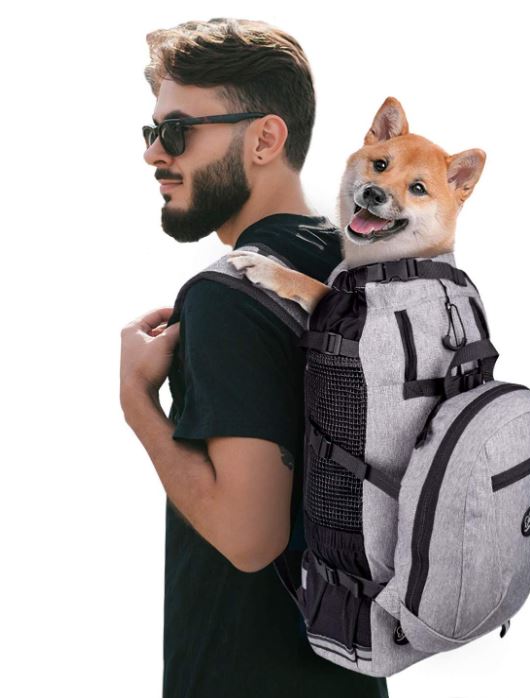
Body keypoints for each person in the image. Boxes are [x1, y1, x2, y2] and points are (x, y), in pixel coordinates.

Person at [119, 17, 390, 697]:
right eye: (150, 131)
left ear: (266, 138)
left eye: (177, 131)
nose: (155, 153)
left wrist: (138, 406)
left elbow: (249, 537)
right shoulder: (367, 272)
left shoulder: (232, 292)